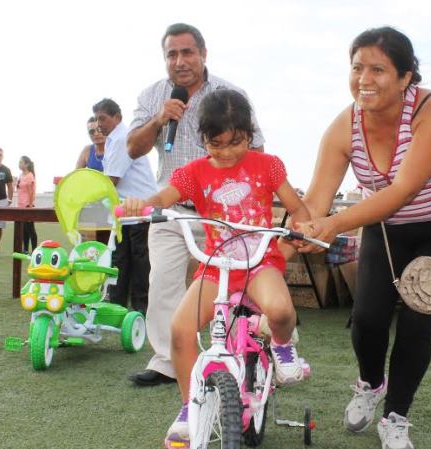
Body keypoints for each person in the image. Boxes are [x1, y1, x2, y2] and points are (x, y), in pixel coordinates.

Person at [297, 27, 431, 449]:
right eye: (357, 67)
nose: (364, 79)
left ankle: (396, 415)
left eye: (378, 69)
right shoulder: (344, 126)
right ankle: (371, 384)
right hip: (385, 228)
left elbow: (402, 191)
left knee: (416, 322)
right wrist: (300, 229)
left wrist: (333, 225)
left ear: (405, 76)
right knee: (367, 319)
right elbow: (316, 201)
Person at [121, 89, 309, 448]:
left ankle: (283, 345)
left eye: (235, 142)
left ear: (249, 135)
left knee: (282, 311)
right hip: (216, 266)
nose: (225, 152)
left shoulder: (267, 166)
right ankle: (189, 407)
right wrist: (141, 205)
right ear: (202, 139)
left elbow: (297, 208)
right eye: (215, 144)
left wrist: (301, 225)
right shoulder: (194, 172)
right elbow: (163, 198)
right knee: (179, 329)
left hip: (258, 263)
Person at [125, 22, 265, 386]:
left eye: (187, 52)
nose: (179, 61)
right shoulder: (153, 96)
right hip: (171, 210)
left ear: (203, 54)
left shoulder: (230, 94)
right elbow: (133, 148)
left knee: (238, 284)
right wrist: (160, 119)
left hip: (223, 211)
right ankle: (167, 362)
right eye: (171, 54)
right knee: (162, 283)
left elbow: (257, 150)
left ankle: (244, 356)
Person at [95, 98, 157, 315]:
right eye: (96, 119)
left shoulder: (122, 138)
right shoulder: (113, 139)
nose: (99, 124)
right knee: (121, 259)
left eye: (103, 118)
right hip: (125, 212)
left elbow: (111, 179)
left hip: (140, 210)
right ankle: (118, 306)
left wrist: (86, 192)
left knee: (139, 262)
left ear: (117, 117)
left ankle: (140, 310)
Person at [16, 155, 37, 253]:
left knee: (30, 229)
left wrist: (30, 205)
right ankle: (25, 249)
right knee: (24, 229)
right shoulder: (20, 175)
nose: (19, 164)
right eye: (19, 162)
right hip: (20, 206)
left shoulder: (30, 176)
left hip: (27, 206)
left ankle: (34, 250)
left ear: (27, 164)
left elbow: (31, 192)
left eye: (21, 162)